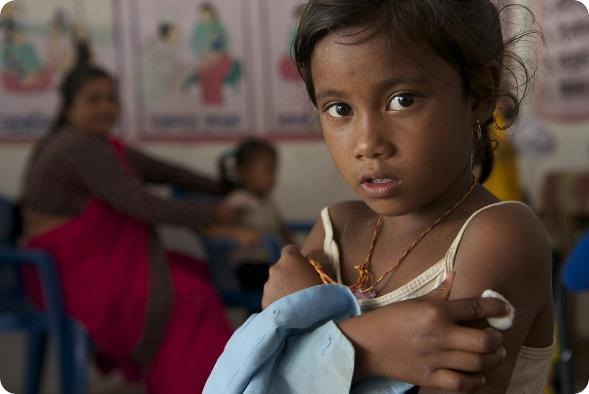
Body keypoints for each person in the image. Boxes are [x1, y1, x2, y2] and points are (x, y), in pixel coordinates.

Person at [208, 1, 554, 393]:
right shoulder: (334, 229)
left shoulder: (500, 237)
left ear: (480, 91)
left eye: (403, 100)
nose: (367, 143)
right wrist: (368, 345)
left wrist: (340, 338)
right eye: (339, 109)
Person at [20, 65, 235, 393]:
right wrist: (214, 213)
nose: (106, 107)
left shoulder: (94, 144)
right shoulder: (76, 147)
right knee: (193, 296)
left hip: (80, 265)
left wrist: (221, 186)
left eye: (111, 98)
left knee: (193, 271)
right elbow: (140, 204)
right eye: (93, 99)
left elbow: (161, 170)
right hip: (64, 274)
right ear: (69, 106)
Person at [210, 138, 294, 291]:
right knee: (285, 282)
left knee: (299, 274)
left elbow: (282, 228)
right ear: (244, 172)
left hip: (272, 262)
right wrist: (237, 234)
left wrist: (297, 251)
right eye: (268, 170)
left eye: (275, 171)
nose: (274, 178)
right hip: (249, 267)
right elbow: (213, 230)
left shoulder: (267, 201)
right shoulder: (239, 201)